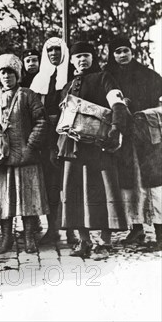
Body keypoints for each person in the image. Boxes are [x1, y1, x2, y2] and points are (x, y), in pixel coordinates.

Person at [57, 41, 130, 257]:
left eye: (86, 55)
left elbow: (118, 104)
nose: (82, 60)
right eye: (78, 56)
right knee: (74, 192)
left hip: (99, 145)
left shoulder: (104, 77)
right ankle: (84, 241)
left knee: (104, 191)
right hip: (72, 146)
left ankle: (105, 242)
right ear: (71, 60)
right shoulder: (67, 86)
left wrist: (116, 128)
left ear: (93, 58)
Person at [0, 54, 49, 253]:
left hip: (25, 154)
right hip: (0, 156)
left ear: (18, 74)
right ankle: (6, 239)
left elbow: (41, 120)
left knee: (28, 198)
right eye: (3, 72)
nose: (7, 76)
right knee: (2, 198)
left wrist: (31, 144)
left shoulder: (27, 94)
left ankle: (29, 237)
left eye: (11, 72)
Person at [104, 37, 162, 245]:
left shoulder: (150, 75)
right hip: (124, 138)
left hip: (148, 136)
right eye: (117, 51)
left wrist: (146, 112)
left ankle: (159, 229)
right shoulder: (108, 77)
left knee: (154, 181)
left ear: (132, 51)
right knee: (128, 183)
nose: (122, 55)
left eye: (125, 50)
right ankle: (136, 227)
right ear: (112, 54)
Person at [29, 37, 74, 245]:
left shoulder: (72, 76)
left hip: (70, 135)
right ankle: (52, 229)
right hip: (48, 137)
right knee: (51, 185)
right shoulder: (39, 80)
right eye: (50, 50)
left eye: (57, 50)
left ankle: (73, 230)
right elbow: (34, 110)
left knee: (71, 184)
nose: (54, 54)